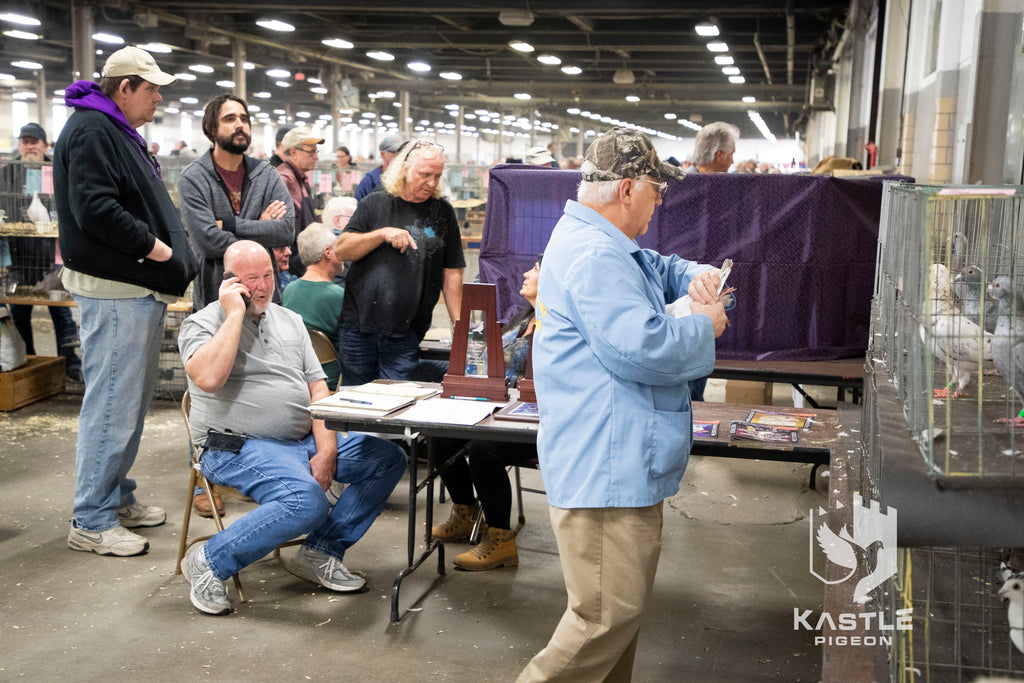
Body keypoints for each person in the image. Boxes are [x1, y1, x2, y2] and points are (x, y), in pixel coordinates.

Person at [516, 128, 728, 682]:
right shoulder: (593, 253)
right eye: (658, 192)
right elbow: (644, 349)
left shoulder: (601, 240)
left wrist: (695, 275)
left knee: (616, 624)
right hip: (606, 466)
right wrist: (704, 326)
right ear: (628, 188)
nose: (659, 205)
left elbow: (654, 267)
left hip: (616, 460)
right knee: (602, 620)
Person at [177, 240, 404, 616]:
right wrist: (234, 314)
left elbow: (318, 388)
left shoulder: (290, 320)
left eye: (268, 275)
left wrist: (327, 449)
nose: (264, 286)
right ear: (230, 282)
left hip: (299, 440)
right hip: (234, 445)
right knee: (306, 502)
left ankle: (321, 551)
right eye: (252, 279)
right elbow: (209, 378)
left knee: (386, 458)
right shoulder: (200, 323)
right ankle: (209, 562)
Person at [55, 46, 196, 556]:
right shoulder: (93, 130)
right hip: (117, 287)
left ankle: (113, 496)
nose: (159, 97)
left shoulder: (111, 128)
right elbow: (94, 207)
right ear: (124, 87)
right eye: (152, 88)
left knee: (127, 403)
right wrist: (153, 246)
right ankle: (91, 518)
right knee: (113, 403)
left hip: (132, 287)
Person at [431, 257, 543, 571]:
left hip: (537, 422)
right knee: (441, 436)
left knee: (485, 451)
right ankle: (465, 512)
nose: (525, 273)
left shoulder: (556, 327)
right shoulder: (525, 320)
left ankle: (500, 539)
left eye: (535, 269)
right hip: (497, 409)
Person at [334, 139, 465, 386]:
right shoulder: (375, 203)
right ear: (404, 168)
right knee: (355, 403)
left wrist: (459, 325)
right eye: (425, 174)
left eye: (437, 176)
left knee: (397, 405)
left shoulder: (443, 213)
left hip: (406, 332)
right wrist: (381, 234)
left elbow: (452, 273)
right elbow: (341, 249)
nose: (431, 182)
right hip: (358, 327)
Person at [178, 93, 294, 312]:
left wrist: (230, 224)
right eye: (230, 119)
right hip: (216, 302)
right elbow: (207, 241)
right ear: (211, 128)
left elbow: (286, 231)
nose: (240, 124)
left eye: (244, 118)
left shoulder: (266, 174)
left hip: (265, 301)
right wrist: (261, 226)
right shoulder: (193, 178)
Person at [3, 122, 83, 381]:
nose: (30, 146)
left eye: (35, 141)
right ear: (19, 145)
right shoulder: (7, 173)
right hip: (19, 255)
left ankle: (70, 365)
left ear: (45, 144)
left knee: (61, 310)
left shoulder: (57, 169)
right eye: (25, 141)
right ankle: (29, 363)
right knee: (20, 311)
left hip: (53, 253)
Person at [684, 120, 739, 402]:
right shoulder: (686, 190)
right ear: (718, 155)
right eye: (730, 153)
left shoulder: (700, 189)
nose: (733, 160)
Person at [282, 223, 346, 388]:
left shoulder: (289, 290)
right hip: (330, 381)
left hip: (296, 378)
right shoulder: (338, 296)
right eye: (338, 247)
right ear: (328, 252)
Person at [275, 126, 322, 276]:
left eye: (316, 151)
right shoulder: (284, 180)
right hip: (292, 267)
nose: (316, 157)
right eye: (311, 152)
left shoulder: (301, 178)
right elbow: (281, 230)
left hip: (302, 261)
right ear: (294, 152)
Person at [353, 135, 402, 200]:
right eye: (395, 152)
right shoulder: (371, 180)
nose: (400, 155)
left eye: (401, 152)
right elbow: (359, 203)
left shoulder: (406, 177)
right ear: (382, 154)